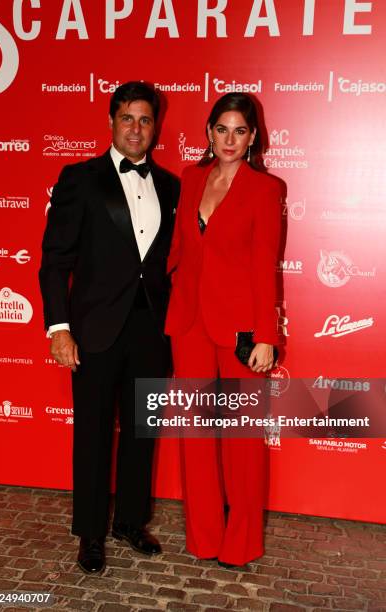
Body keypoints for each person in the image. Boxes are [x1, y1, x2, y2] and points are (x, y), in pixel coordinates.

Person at [39, 81, 180, 574]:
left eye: (145, 120)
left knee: (143, 432)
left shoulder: (171, 185)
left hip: (152, 330)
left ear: (155, 126)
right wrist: (58, 327)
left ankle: (131, 523)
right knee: (94, 434)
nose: (137, 129)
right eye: (127, 119)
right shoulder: (80, 178)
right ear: (111, 122)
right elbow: (55, 260)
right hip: (94, 329)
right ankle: (92, 534)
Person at [165, 93, 282, 568]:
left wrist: (266, 335)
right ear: (208, 132)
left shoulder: (266, 188)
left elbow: (264, 266)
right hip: (189, 323)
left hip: (240, 331)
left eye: (240, 131)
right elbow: (178, 250)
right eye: (222, 129)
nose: (230, 140)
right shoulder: (191, 179)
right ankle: (204, 537)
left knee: (242, 442)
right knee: (194, 438)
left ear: (253, 137)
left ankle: (242, 542)